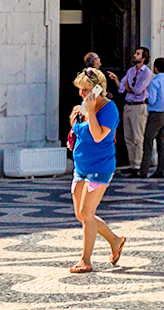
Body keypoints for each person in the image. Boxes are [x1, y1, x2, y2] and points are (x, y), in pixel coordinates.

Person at [66, 68, 126, 273]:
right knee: (82, 215)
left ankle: (86, 260)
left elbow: (99, 135)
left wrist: (90, 111)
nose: (82, 94)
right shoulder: (84, 106)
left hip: (100, 167)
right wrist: (75, 117)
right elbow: (78, 132)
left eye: (86, 90)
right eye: (80, 89)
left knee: (87, 212)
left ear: (98, 89)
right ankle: (115, 240)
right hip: (81, 167)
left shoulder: (110, 110)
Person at [116, 48, 152, 174]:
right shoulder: (131, 71)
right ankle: (132, 164)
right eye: (135, 53)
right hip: (128, 105)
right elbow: (121, 88)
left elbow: (138, 90)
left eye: (137, 54)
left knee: (138, 137)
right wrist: (116, 80)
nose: (134, 55)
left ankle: (138, 165)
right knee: (128, 137)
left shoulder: (147, 73)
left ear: (143, 58)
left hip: (138, 106)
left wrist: (127, 88)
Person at [139, 58, 164, 179]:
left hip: (156, 114)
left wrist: (146, 100)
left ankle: (143, 171)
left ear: (155, 68)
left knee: (148, 141)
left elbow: (152, 100)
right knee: (161, 142)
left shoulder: (154, 82)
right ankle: (160, 170)